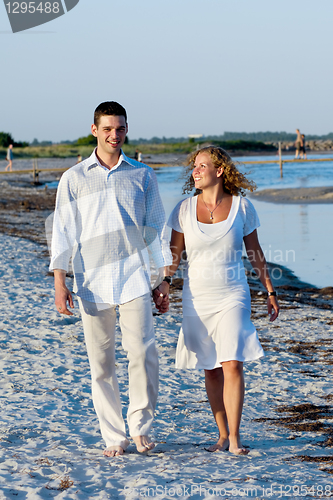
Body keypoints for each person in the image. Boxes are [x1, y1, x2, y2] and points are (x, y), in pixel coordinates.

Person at [50, 101, 172, 457]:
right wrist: (60, 281)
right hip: (92, 281)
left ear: (126, 129)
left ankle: (140, 428)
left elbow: (156, 231)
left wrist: (163, 280)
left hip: (136, 278)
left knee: (143, 354)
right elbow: (62, 233)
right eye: (107, 129)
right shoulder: (74, 178)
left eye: (119, 129)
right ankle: (113, 435)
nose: (114, 135)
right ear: (94, 130)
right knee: (101, 363)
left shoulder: (143, 175)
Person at [157, 146, 279, 455]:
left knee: (232, 363)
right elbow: (174, 256)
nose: (195, 171)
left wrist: (269, 290)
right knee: (210, 368)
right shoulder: (183, 209)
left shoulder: (242, 207)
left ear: (220, 170)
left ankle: (236, 439)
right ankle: (222, 435)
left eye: (202, 166)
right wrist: (165, 284)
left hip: (232, 294)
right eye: (194, 166)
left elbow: (255, 253)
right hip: (197, 297)